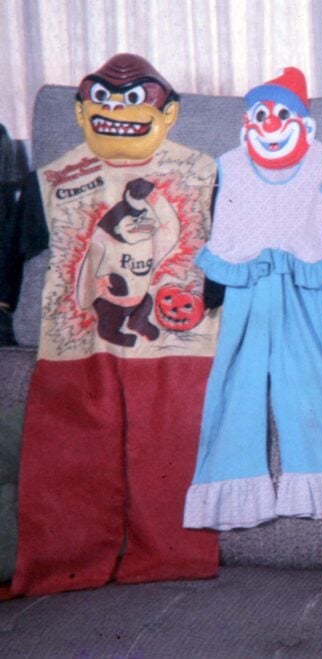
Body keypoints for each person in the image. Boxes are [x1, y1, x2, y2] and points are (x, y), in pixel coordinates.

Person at [3, 54, 219, 595]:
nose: (117, 108)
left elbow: (230, 252)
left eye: (133, 97)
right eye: (101, 97)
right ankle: (65, 561)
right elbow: (11, 258)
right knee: (70, 449)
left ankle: (171, 555)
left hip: (178, 345)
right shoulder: (51, 178)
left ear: (169, 113)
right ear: (80, 111)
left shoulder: (206, 172)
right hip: (79, 345)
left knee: (171, 445)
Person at [183, 68, 322, 531]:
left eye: (281, 113)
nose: (270, 124)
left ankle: (321, 482)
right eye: (260, 114)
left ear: (303, 122)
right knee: (234, 383)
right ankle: (229, 492)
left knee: (311, 379)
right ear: (248, 120)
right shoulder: (228, 164)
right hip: (245, 285)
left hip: (301, 287)